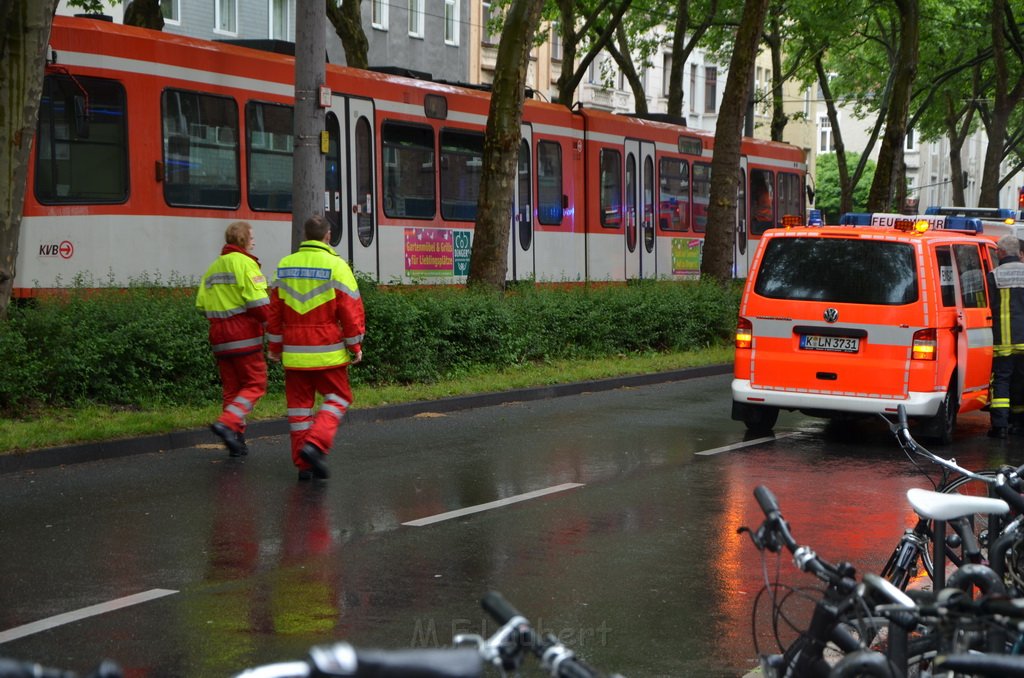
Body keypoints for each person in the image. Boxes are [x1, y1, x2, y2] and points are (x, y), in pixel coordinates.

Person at [268, 214, 365, 481]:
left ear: (304, 236)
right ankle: (316, 445)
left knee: (299, 410)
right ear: (328, 236)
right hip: (326, 350)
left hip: (294, 353)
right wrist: (355, 345)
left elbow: (274, 313)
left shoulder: (284, 266)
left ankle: (304, 465)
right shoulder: (336, 266)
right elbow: (350, 310)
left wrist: (275, 346)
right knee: (339, 397)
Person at [196, 221, 270, 456]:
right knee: (255, 384)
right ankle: (228, 424)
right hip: (244, 335)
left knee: (232, 389)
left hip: (219, 336)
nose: (254, 241)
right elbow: (259, 305)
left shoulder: (214, 267)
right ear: (243, 240)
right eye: (252, 237)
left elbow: (201, 305)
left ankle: (236, 440)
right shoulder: (246, 264)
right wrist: (274, 327)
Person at [986, 234, 1024, 438]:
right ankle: (1019, 424)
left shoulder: (994, 275)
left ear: (1000, 253)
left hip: (1004, 341)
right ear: (1019, 253)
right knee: (1021, 381)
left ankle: (1000, 426)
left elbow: (989, 305)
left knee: (1001, 381)